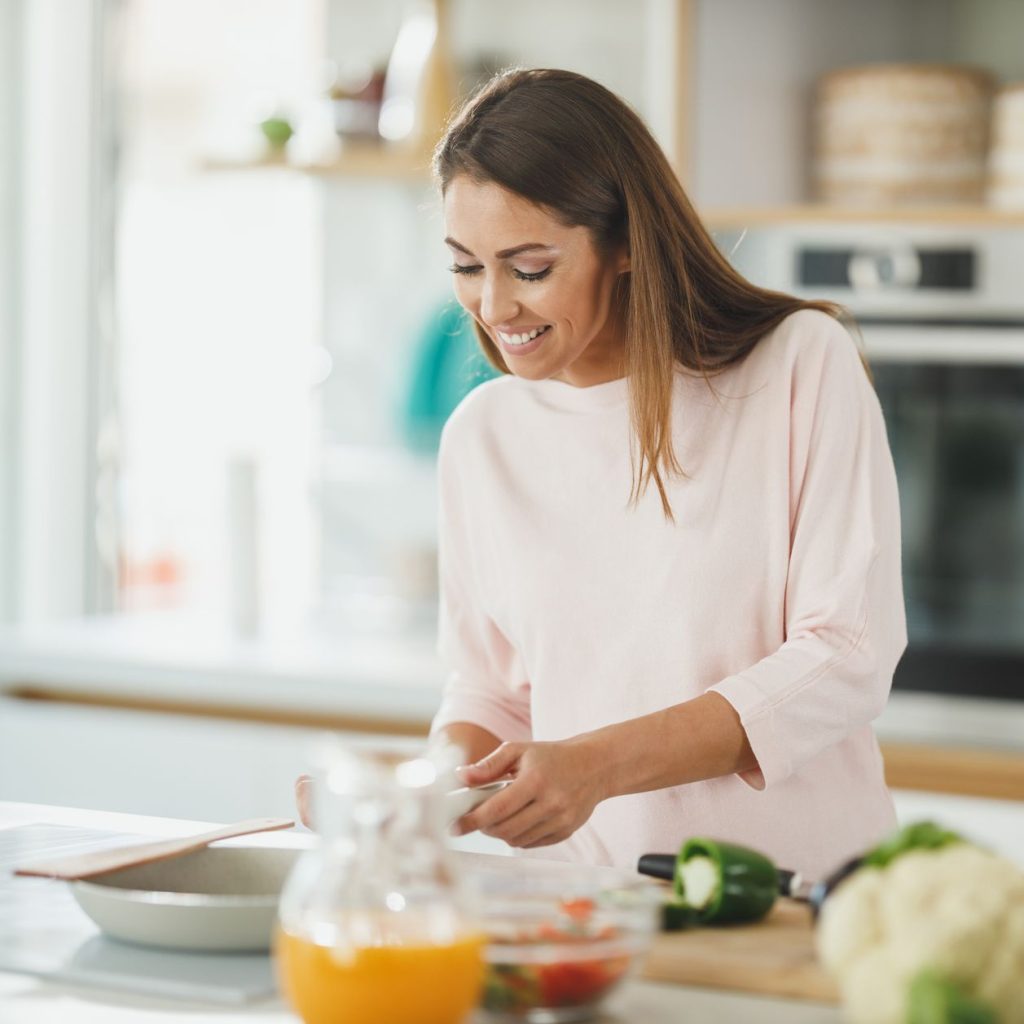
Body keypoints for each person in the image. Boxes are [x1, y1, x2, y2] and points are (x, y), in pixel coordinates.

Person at [302, 66, 907, 881]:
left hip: (799, 903)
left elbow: (846, 654)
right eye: (466, 266)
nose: (493, 307)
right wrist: (422, 797)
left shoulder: (797, 366)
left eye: (530, 266)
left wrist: (596, 766)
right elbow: (491, 689)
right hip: (591, 903)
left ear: (624, 244)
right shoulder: (483, 437)